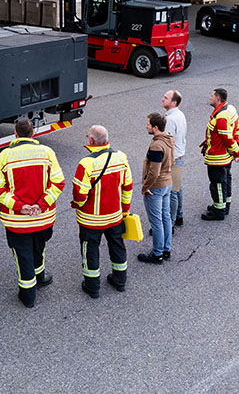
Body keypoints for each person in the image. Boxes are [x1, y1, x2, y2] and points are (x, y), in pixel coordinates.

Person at [0, 119, 65, 308]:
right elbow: (58, 183)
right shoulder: (47, 153)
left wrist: (19, 207)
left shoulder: (4, 156)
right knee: (39, 248)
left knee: (23, 255)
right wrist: (40, 205)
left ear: (15, 134)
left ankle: (28, 295)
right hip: (43, 217)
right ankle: (40, 277)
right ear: (33, 133)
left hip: (17, 221)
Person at [71, 125, 133, 298]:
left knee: (90, 250)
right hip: (115, 216)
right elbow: (127, 187)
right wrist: (125, 210)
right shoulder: (121, 157)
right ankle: (120, 280)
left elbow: (79, 194)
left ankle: (92, 287)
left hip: (91, 220)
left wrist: (78, 205)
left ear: (91, 140)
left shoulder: (86, 163)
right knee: (117, 246)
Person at [200, 88, 239, 221]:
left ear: (218, 99)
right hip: (226, 156)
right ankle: (225, 205)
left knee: (217, 183)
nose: (210, 97)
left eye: (212, 95)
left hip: (218, 158)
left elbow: (226, 137)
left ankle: (218, 211)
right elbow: (238, 130)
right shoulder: (230, 109)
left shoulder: (221, 117)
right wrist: (234, 151)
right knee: (226, 180)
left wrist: (236, 152)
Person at [138, 113, 174, 264]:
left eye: (148, 124)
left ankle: (157, 253)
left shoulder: (156, 146)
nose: (146, 126)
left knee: (156, 221)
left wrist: (145, 187)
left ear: (155, 127)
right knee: (165, 217)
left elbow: (154, 171)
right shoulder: (168, 138)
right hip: (167, 183)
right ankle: (166, 249)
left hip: (156, 187)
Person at [162, 90, 187, 227]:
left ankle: (170, 223)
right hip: (179, 155)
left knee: (171, 191)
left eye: (166, 98)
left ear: (173, 102)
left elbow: (168, 141)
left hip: (173, 158)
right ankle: (179, 215)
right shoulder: (179, 114)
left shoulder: (170, 119)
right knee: (177, 188)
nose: (162, 99)